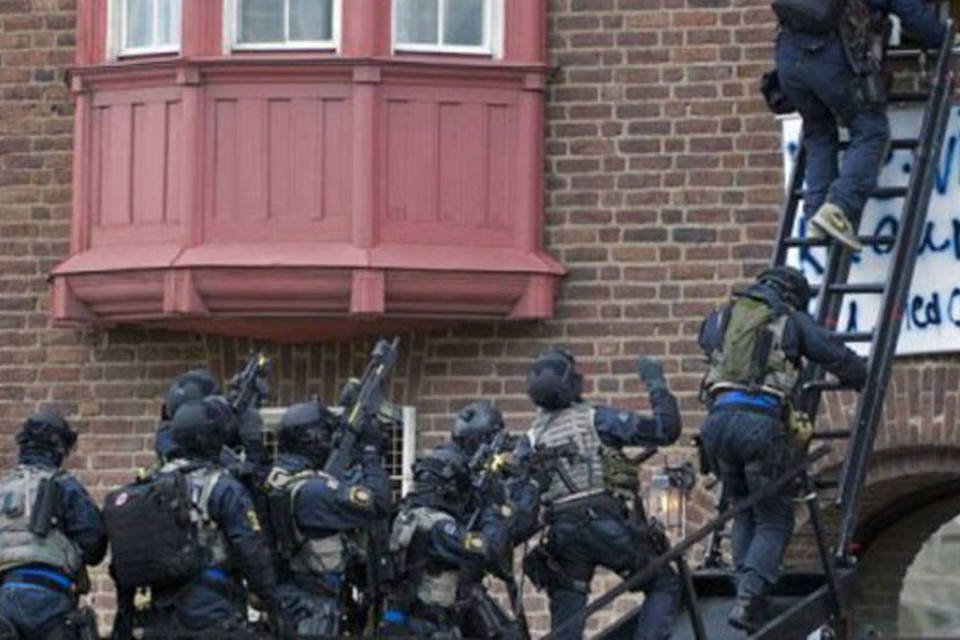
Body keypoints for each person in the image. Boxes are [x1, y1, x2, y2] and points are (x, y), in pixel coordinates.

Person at [697, 266, 868, 631]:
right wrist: (860, 374)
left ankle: (747, 592)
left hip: (717, 422)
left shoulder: (721, 316)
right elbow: (830, 353)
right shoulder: (789, 319)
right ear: (793, 296)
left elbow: (707, 348)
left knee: (745, 509)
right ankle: (748, 598)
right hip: (760, 425)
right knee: (775, 518)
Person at [522, 347, 683, 640]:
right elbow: (666, 429)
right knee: (663, 583)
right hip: (603, 523)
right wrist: (655, 382)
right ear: (572, 383)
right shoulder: (596, 419)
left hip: (560, 533)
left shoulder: (531, 438)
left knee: (567, 621)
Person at [773, 0, 947, 251]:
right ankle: (839, 207)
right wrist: (944, 36)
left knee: (818, 132)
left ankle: (815, 212)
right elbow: (914, 16)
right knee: (871, 130)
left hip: (788, 59)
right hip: (830, 56)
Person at [108, 397, 278, 639]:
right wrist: (274, 605)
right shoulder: (222, 486)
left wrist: (124, 617)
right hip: (211, 610)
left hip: (158, 616)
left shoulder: (148, 487)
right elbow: (252, 551)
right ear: (212, 438)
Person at [379, 445, 536, 639]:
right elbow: (489, 548)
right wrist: (491, 507)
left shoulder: (408, 514)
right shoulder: (438, 527)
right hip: (428, 625)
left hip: (411, 619)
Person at [263, 401, 391, 637]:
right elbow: (380, 504)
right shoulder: (313, 490)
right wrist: (370, 453)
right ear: (314, 438)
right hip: (314, 602)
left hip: (291, 595)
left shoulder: (277, 478)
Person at [0, 409, 106, 640]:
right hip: (51, 598)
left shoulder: (3, 487)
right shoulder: (65, 485)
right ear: (59, 448)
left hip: (4, 600)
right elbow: (94, 545)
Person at [449, 402, 538, 640]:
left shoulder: (447, 469)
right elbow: (515, 526)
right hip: (459, 594)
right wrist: (530, 482)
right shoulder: (475, 482)